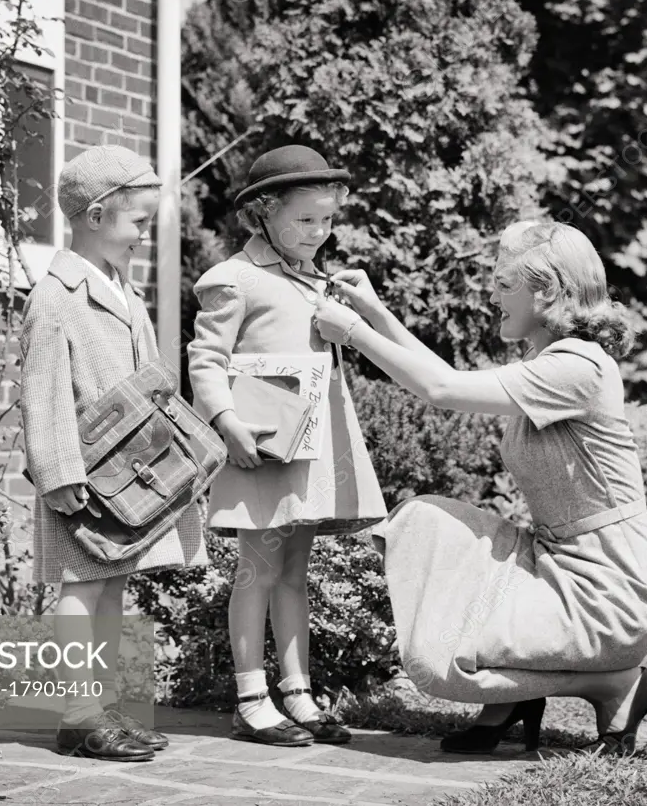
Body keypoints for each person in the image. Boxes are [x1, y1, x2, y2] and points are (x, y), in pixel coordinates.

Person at [312, 220, 647, 757]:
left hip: (611, 586)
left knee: (444, 656)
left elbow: (441, 388)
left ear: (546, 290)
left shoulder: (580, 368)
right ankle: (510, 700)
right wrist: (374, 312)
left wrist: (354, 334)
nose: (491, 295)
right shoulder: (545, 360)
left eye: (505, 284)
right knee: (423, 519)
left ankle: (615, 683)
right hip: (556, 560)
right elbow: (443, 374)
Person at [187, 145, 388, 747]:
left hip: (312, 445)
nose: (320, 232)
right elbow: (206, 359)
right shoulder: (235, 279)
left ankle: (298, 692)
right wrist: (225, 421)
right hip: (262, 445)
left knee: (295, 571)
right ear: (264, 213)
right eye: (306, 219)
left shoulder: (319, 281)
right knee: (258, 570)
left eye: (329, 220)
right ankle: (252, 698)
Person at [20, 144, 208, 761]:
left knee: (113, 583)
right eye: (140, 223)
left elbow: (148, 377)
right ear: (96, 215)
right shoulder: (58, 294)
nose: (145, 236)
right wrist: (56, 472)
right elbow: (42, 388)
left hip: (128, 475)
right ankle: (77, 715)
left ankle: (101, 710)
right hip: (83, 473)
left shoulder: (123, 289)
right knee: (80, 586)